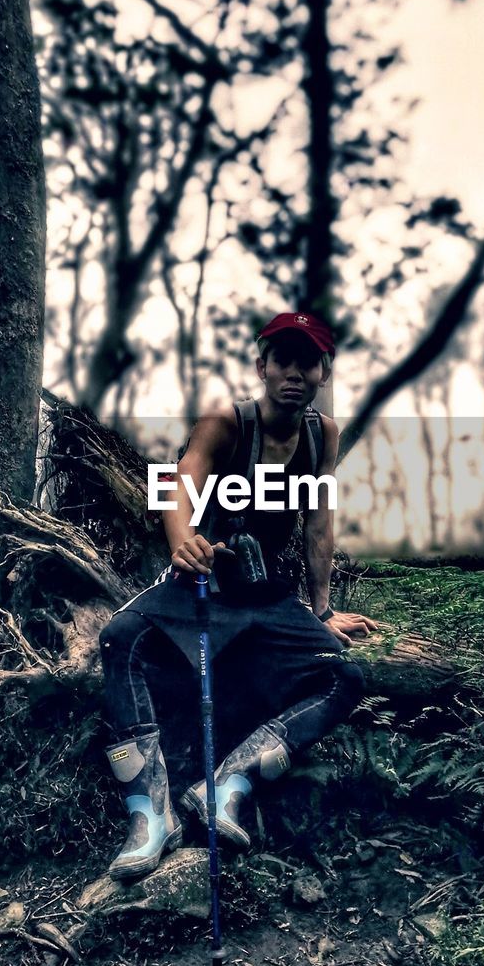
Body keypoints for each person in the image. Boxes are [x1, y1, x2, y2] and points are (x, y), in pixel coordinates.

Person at [97, 311, 378, 880]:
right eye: (283, 360)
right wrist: (183, 542)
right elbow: (181, 483)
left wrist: (321, 610)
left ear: (324, 371)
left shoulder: (323, 434)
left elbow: (317, 521)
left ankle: (228, 782)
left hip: (264, 598)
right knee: (118, 640)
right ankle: (152, 813)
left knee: (342, 676)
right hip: (201, 583)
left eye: (308, 362)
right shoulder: (227, 422)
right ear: (262, 367)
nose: (294, 372)